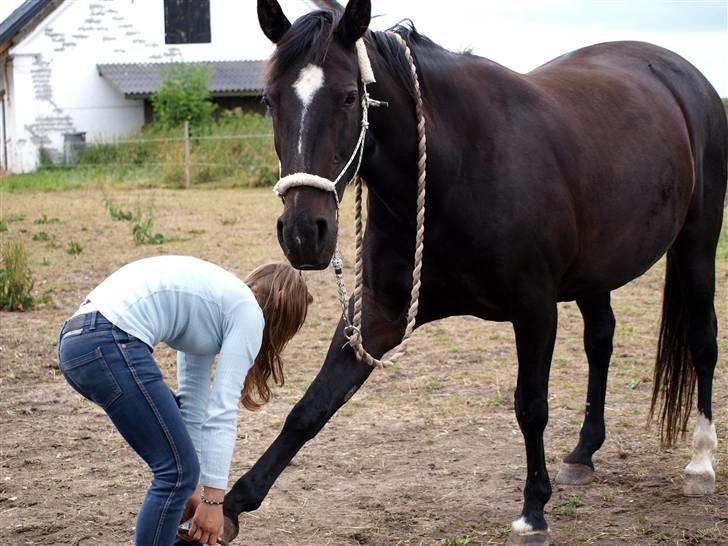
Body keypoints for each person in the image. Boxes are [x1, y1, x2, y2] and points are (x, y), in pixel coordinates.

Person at [57, 256, 311, 546]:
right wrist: (214, 502)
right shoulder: (248, 313)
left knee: (181, 473)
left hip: (76, 344)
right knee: (176, 471)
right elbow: (222, 412)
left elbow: (192, 407)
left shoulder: (214, 304)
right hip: (110, 342)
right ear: (282, 319)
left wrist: (195, 490)